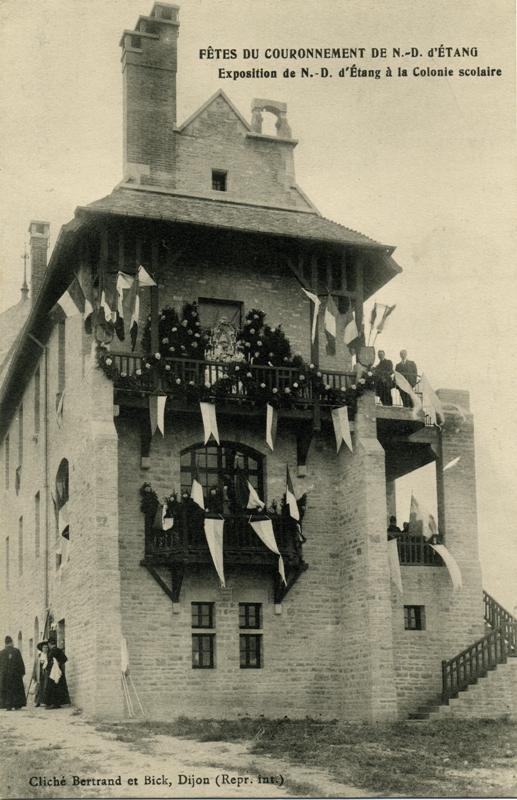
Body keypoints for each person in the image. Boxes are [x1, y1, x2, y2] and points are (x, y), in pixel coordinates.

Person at [44, 634, 70, 709]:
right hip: (59, 671)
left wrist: (47, 668)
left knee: (53, 687)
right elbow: (65, 659)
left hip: (53, 672)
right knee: (59, 687)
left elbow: (49, 662)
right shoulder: (59, 650)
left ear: (49, 644)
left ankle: (53, 703)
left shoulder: (52, 652)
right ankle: (58, 703)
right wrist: (60, 663)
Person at [0, 635, 26, 710]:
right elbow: (20, 663)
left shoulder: (1, 653)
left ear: (5, 643)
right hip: (16, 675)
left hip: (5, 676)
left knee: (7, 690)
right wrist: (22, 673)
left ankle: (8, 705)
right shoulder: (16, 651)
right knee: (16, 689)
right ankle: (17, 705)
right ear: (11, 642)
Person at [35, 641, 49, 707]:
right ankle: (38, 702)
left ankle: (46, 701)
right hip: (40, 672)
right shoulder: (39, 655)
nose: (45, 649)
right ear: (42, 648)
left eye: (46, 647)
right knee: (39, 686)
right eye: (44, 647)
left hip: (46, 672)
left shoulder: (49, 655)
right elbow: (36, 664)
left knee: (46, 686)